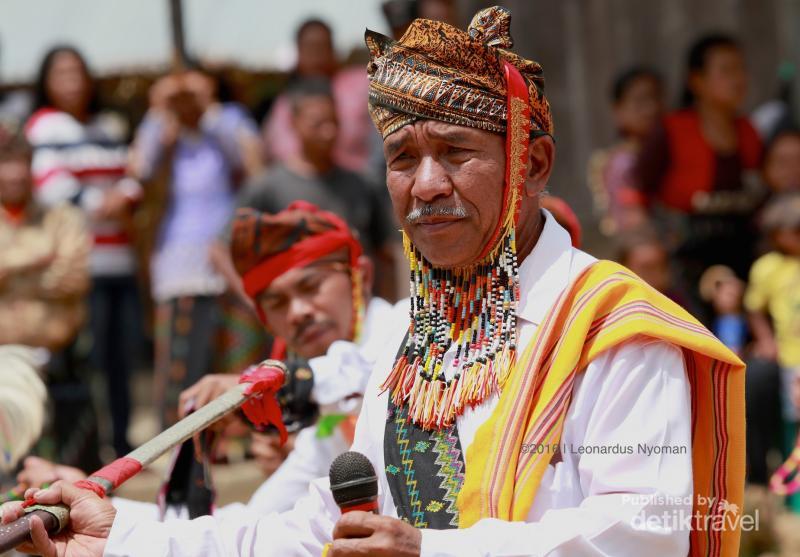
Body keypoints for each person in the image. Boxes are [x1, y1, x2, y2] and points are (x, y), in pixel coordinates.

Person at [3, 7, 746, 557]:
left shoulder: (609, 327)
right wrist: (119, 536)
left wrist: (428, 550)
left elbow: (649, 530)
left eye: (456, 151)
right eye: (402, 159)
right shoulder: (406, 341)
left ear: (536, 162)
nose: (425, 185)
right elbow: (316, 533)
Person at [25, 46, 141, 457]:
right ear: (47, 79)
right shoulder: (43, 127)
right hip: (80, 267)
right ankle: (89, 449)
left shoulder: (107, 124)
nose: (72, 78)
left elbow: (134, 171)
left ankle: (122, 443)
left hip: (120, 261)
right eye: (62, 71)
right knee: (87, 364)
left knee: (120, 362)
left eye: (77, 69)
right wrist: (102, 202)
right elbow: (51, 187)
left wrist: (124, 193)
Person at [130, 69, 262, 428]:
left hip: (229, 253)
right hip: (179, 262)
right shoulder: (164, 130)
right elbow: (139, 168)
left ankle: (234, 436)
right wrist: (160, 109)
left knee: (233, 350)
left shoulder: (228, 121)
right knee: (180, 357)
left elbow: (252, 161)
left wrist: (209, 109)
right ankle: (176, 434)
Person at [214, 78, 398, 302]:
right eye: (317, 124)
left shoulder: (362, 184)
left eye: (333, 121)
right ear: (293, 123)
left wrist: (389, 311)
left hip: (362, 318)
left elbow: (385, 256)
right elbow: (220, 250)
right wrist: (257, 302)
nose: (328, 132)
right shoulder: (269, 187)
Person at [633, 34, 762, 315]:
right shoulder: (671, 130)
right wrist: (650, 242)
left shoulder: (749, 132)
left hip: (742, 246)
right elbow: (637, 189)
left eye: (741, 69)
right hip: (683, 252)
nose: (738, 78)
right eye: (726, 70)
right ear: (697, 80)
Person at [0, 128, 100, 473]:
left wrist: (9, 274)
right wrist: (39, 258)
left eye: (19, 164)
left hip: (63, 362)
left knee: (74, 470)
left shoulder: (62, 217)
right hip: (6, 365)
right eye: (5, 164)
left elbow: (74, 277)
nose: (13, 173)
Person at [261, 19, 373, 174]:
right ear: (299, 52)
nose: (316, 56)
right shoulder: (287, 101)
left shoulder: (362, 84)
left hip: (360, 186)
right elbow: (278, 150)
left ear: (333, 49)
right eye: (310, 48)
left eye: (322, 47)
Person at [587, 67, 664, 235]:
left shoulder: (663, 153)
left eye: (655, 98)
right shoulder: (623, 163)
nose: (651, 108)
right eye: (640, 101)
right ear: (618, 110)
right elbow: (632, 222)